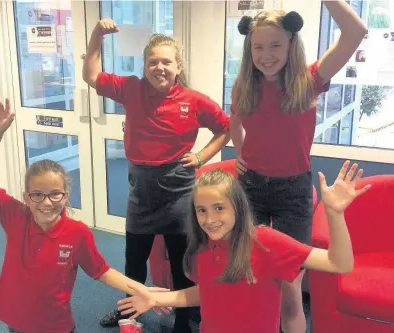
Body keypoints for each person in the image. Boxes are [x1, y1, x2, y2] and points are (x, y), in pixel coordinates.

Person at [82, 19, 230, 331]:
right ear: (144, 65)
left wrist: (202, 155)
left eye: (166, 62)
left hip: (179, 189)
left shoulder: (194, 100)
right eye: (153, 62)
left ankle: (183, 319)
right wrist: (96, 35)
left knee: (181, 261)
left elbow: (226, 128)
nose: (159, 67)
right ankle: (128, 313)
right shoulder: (130, 88)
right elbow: (91, 74)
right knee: (134, 260)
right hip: (142, 190)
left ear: (178, 66)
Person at [229, 3, 367, 333]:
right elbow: (234, 119)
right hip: (250, 188)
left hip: (293, 191)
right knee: (253, 276)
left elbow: (356, 33)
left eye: (275, 44)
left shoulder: (310, 79)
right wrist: (239, 151)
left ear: (291, 43)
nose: (266, 54)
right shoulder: (245, 85)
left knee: (291, 289)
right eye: (258, 47)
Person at [116, 161, 371, 333]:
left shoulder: (266, 241)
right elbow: (207, 292)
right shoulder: (202, 247)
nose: (210, 219)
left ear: (237, 206)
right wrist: (155, 298)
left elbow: (340, 263)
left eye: (219, 208)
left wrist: (335, 214)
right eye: (201, 211)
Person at [0, 98, 164, 333]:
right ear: (26, 197)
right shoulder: (15, 215)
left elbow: (102, 271)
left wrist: (140, 289)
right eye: (37, 194)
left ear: (66, 196)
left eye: (55, 194)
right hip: (17, 324)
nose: (46, 202)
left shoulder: (77, 233)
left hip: (56, 326)